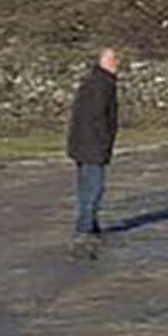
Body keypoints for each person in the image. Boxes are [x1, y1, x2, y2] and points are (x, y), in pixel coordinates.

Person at [65, 48, 121, 247]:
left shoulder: (95, 81)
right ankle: (85, 227)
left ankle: (90, 223)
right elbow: (98, 117)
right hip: (92, 144)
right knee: (93, 187)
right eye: (114, 59)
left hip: (84, 143)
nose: (118, 63)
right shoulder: (101, 84)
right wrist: (104, 141)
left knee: (87, 186)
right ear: (104, 61)